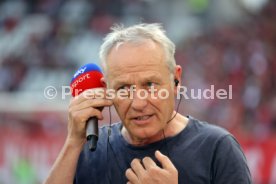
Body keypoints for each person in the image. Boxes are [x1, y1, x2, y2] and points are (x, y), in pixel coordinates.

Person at [44, 23, 252, 184]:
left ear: (175, 79)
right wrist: (72, 142)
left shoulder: (217, 148)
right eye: (123, 88)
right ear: (106, 89)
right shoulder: (89, 150)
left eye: (150, 85)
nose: (138, 103)